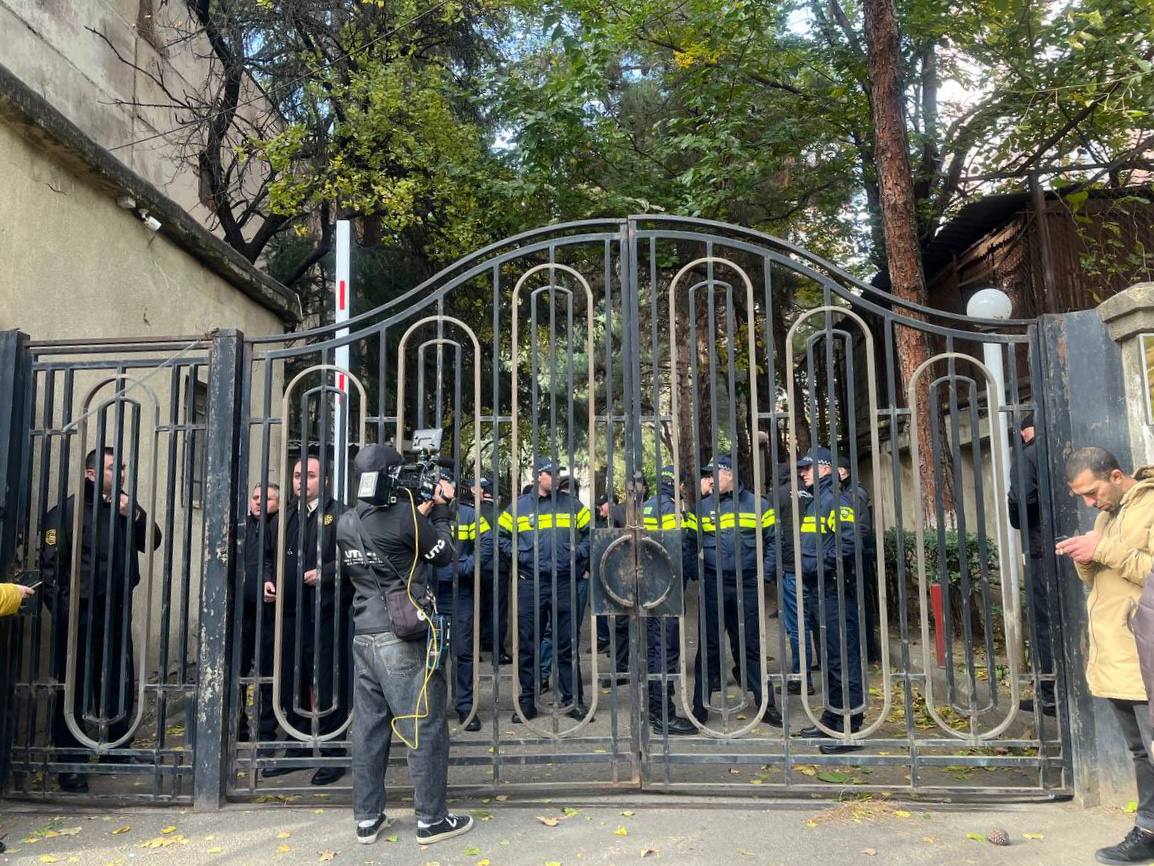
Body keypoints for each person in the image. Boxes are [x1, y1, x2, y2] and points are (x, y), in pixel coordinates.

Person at [337, 443, 474, 847]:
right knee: (424, 726)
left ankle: (367, 818)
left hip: (364, 635)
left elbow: (393, 545)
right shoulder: (403, 517)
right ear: (392, 478)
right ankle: (431, 819)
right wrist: (443, 509)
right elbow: (443, 553)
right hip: (402, 638)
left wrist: (420, 514)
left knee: (368, 729)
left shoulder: (346, 522)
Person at [40, 446, 163, 793]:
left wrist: (134, 516)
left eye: (122, 468)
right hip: (80, 613)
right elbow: (51, 569)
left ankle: (116, 749)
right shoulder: (65, 512)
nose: (121, 474)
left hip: (116, 608)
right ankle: (71, 764)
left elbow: (152, 541)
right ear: (92, 474)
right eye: (113, 469)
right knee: (74, 688)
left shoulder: (124, 506)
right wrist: (64, 612)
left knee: (116, 680)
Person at [1057, 447, 1154, 866]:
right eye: (1082, 497)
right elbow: (1102, 578)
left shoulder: (1149, 506)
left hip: (1146, 654)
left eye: (1092, 492)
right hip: (1116, 654)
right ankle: (1149, 830)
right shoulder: (1105, 518)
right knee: (1140, 751)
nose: (1090, 503)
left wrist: (1104, 548)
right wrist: (1086, 555)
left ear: (1116, 476)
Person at [262, 453, 347, 786]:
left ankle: (333, 752)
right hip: (290, 614)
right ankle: (296, 748)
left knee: (327, 685)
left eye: (308, 476)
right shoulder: (283, 517)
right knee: (290, 683)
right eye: (297, 476)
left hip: (326, 614)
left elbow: (356, 560)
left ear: (323, 480)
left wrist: (326, 574)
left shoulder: (340, 515)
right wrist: (268, 578)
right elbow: (267, 555)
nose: (301, 482)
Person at [690, 454, 781, 727]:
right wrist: (697, 573)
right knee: (708, 647)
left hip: (747, 585)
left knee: (750, 644)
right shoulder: (701, 508)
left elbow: (775, 541)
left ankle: (766, 705)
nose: (709, 479)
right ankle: (700, 707)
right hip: (713, 583)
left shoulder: (759, 505)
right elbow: (687, 543)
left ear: (729, 474)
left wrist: (763, 574)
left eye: (713, 473)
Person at [500, 456, 591, 722]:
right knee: (529, 644)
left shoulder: (573, 506)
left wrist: (577, 555)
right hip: (531, 583)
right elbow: (501, 538)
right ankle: (527, 701)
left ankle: (573, 700)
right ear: (538, 476)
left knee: (567, 644)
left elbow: (590, 535)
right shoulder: (518, 508)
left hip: (564, 582)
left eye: (558, 472)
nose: (557, 477)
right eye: (551, 473)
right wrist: (520, 555)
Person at [795, 447, 864, 755]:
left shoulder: (836, 500)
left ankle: (849, 727)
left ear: (824, 469)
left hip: (835, 590)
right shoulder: (817, 502)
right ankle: (831, 718)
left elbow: (849, 541)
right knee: (830, 658)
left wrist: (822, 566)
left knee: (842, 659)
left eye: (807, 468)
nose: (802, 473)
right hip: (819, 591)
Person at [640, 465, 696, 735]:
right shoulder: (673, 510)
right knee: (666, 650)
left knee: (653, 649)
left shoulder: (645, 506)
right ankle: (664, 714)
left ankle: (653, 710)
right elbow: (679, 549)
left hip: (648, 584)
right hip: (668, 587)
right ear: (680, 485)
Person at [1007, 414, 1056, 716]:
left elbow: (1022, 500)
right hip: (1073, 548)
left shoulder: (1028, 456)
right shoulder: (1064, 448)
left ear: (1025, 432)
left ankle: (1049, 695)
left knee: (1043, 624)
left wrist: (1015, 510)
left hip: (1040, 550)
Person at [443, 472, 497, 733]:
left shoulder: (466, 514)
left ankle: (464, 705)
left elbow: (487, 543)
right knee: (430, 656)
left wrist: (467, 566)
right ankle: (430, 707)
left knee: (463, 652)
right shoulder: (419, 511)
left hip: (459, 593)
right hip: (426, 593)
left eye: (443, 482)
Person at [239, 481, 279, 742]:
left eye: (266, 499)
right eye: (255, 497)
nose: (258, 503)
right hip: (241, 611)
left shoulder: (282, 526)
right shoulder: (240, 526)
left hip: (270, 611)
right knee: (238, 670)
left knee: (268, 671)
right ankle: (239, 727)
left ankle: (266, 731)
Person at [776, 463, 816, 696]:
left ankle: (803, 678)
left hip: (792, 567)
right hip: (817, 566)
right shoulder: (815, 491)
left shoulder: (778, 495)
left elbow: (774, 534)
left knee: (797, 626)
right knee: (820, 623)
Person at [838, 458, 880, 664]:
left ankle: (868, 651)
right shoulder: (848, 491)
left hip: (859, 556)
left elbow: (861, 527)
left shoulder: (854, 493)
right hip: (857, 555)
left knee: (861, 603)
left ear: (843, 472)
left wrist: (851, 550)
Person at [471, 478, 512, 665]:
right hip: (498, 568)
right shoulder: (503, 515)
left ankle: (474, 649)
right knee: (498, 609)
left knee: (476, 608)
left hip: (475, 567)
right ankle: (497, 652)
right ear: (499, 497)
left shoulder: (474, 513)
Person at [595, 491, 630, 680]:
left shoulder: (618, 513)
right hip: (626, 577)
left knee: (622, 625)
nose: (600, 510)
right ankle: (624, 669)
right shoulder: (620, 513)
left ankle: (622, 670)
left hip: (623, 577)